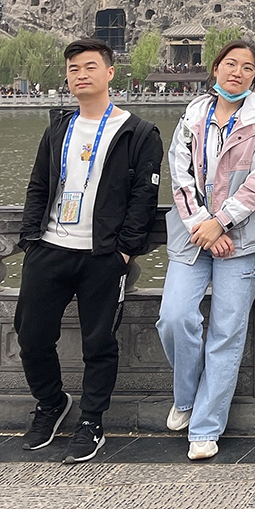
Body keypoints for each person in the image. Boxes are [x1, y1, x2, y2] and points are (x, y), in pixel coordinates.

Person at [15, 38, 163, 464]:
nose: (80, 75)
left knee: (99, 343)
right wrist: (30, 238)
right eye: (73, 69)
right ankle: (51, 404)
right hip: (50, 247)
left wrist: (125, 251)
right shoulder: (58, 128)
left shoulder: (139, 132)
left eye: (90, 67)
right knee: (31, 335)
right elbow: (39, 184)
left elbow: (144, 196)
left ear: (110, 72)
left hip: (102, 255)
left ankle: (92, 422)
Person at [156, 41, 255, 461]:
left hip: (242, 238)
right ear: (215, 68)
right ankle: (186, 397)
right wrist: (204, 225)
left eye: (248, 68)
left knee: (226, 333)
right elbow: (180, 175)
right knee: (174, 317)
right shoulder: (193, 115)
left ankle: (206, 427)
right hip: (194, 234)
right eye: (231, 63)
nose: (237, 72)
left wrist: (222, 222)